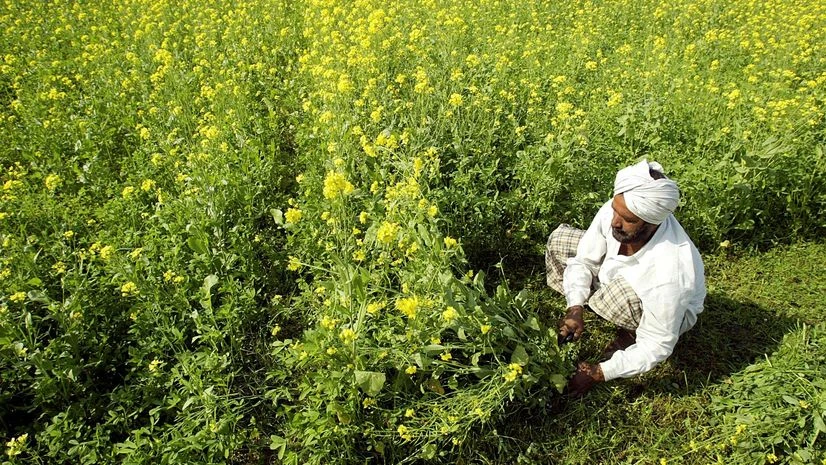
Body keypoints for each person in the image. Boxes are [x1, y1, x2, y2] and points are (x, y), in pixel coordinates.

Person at [545, 159, 706, 396]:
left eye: (628, 220)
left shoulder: (670, 272)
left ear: (652, 222)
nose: (614, 222)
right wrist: (575, 307)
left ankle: (629, 334)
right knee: (559, 241)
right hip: (614, 275)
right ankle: (590, 301)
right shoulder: (620, 209)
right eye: (615, 210)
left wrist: (599, 372)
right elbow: (584, 260)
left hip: (663, 308)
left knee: (620, 297)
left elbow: (657, 345)